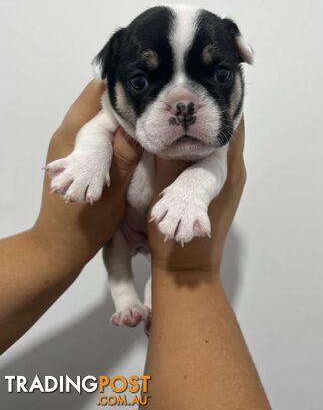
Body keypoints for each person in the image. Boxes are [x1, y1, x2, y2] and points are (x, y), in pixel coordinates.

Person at [0, 80, 270, 409]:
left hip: (149, 220)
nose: (182, 104)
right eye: (144, 82)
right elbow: (96, 133)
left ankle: (153, 299)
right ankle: (125, 295)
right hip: (123, 223)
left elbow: (213, 169)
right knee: (117, 253)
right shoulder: (115, 112)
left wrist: (48, 245)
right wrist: (87, 164)